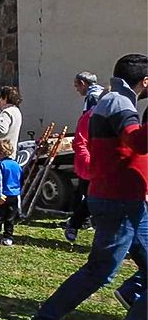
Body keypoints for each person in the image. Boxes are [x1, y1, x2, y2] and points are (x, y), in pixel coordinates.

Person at [24, 54, 148, 320]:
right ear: (145, 81)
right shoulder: (119, 102)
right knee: (100, 271)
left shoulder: (118, 100)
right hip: (117, 200)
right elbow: (137, 141)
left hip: (130, 201)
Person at [66, 72, 105, 243]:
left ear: (83, 83)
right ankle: (81, 221)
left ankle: (81, 221)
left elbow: (87, 128)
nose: (76, 89)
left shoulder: (92, 99)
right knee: (90, 192)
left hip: (95, 155)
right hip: (97, 155)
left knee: (88, 191)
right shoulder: (102, 95)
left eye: (77, 86)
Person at [0, 139, 22, 246]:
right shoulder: (16, 164)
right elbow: (20, 178)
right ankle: (8, 237)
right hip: (14, 194)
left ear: (0, 153)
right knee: (10, 217)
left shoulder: (0, 165)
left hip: (2, 194)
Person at [0, 86, 23, 151]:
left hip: (1, 150)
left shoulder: (6, 112)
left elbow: (1, 130)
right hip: (11, 148)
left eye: (0, 97)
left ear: (5, 98)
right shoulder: (16, 111)